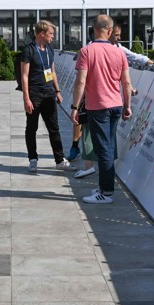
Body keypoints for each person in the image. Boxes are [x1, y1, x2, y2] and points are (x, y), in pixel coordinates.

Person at [70, 14, 132, 204]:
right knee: (108, 147)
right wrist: (127, 106)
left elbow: (80, 81)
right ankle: (105, 186)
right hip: (115, 105)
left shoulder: (86, 51)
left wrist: (74, 107)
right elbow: (126, 82)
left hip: (98, 107)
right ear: (110, 31)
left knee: (103, 149)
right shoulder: (119, 52)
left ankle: (106, 192)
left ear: (93, 29)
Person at [20, 20, 71, 173]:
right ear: (41, 33)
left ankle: (59, 159)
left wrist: (58, 91)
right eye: (50, 33)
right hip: (34, 94)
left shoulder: (49, 48)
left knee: (54, 128)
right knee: (32, 128)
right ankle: (33, 159)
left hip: (49, 93)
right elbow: (24, 76)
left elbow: (52, 71)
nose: (52, 36)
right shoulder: (28, 50)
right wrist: (26, 99)